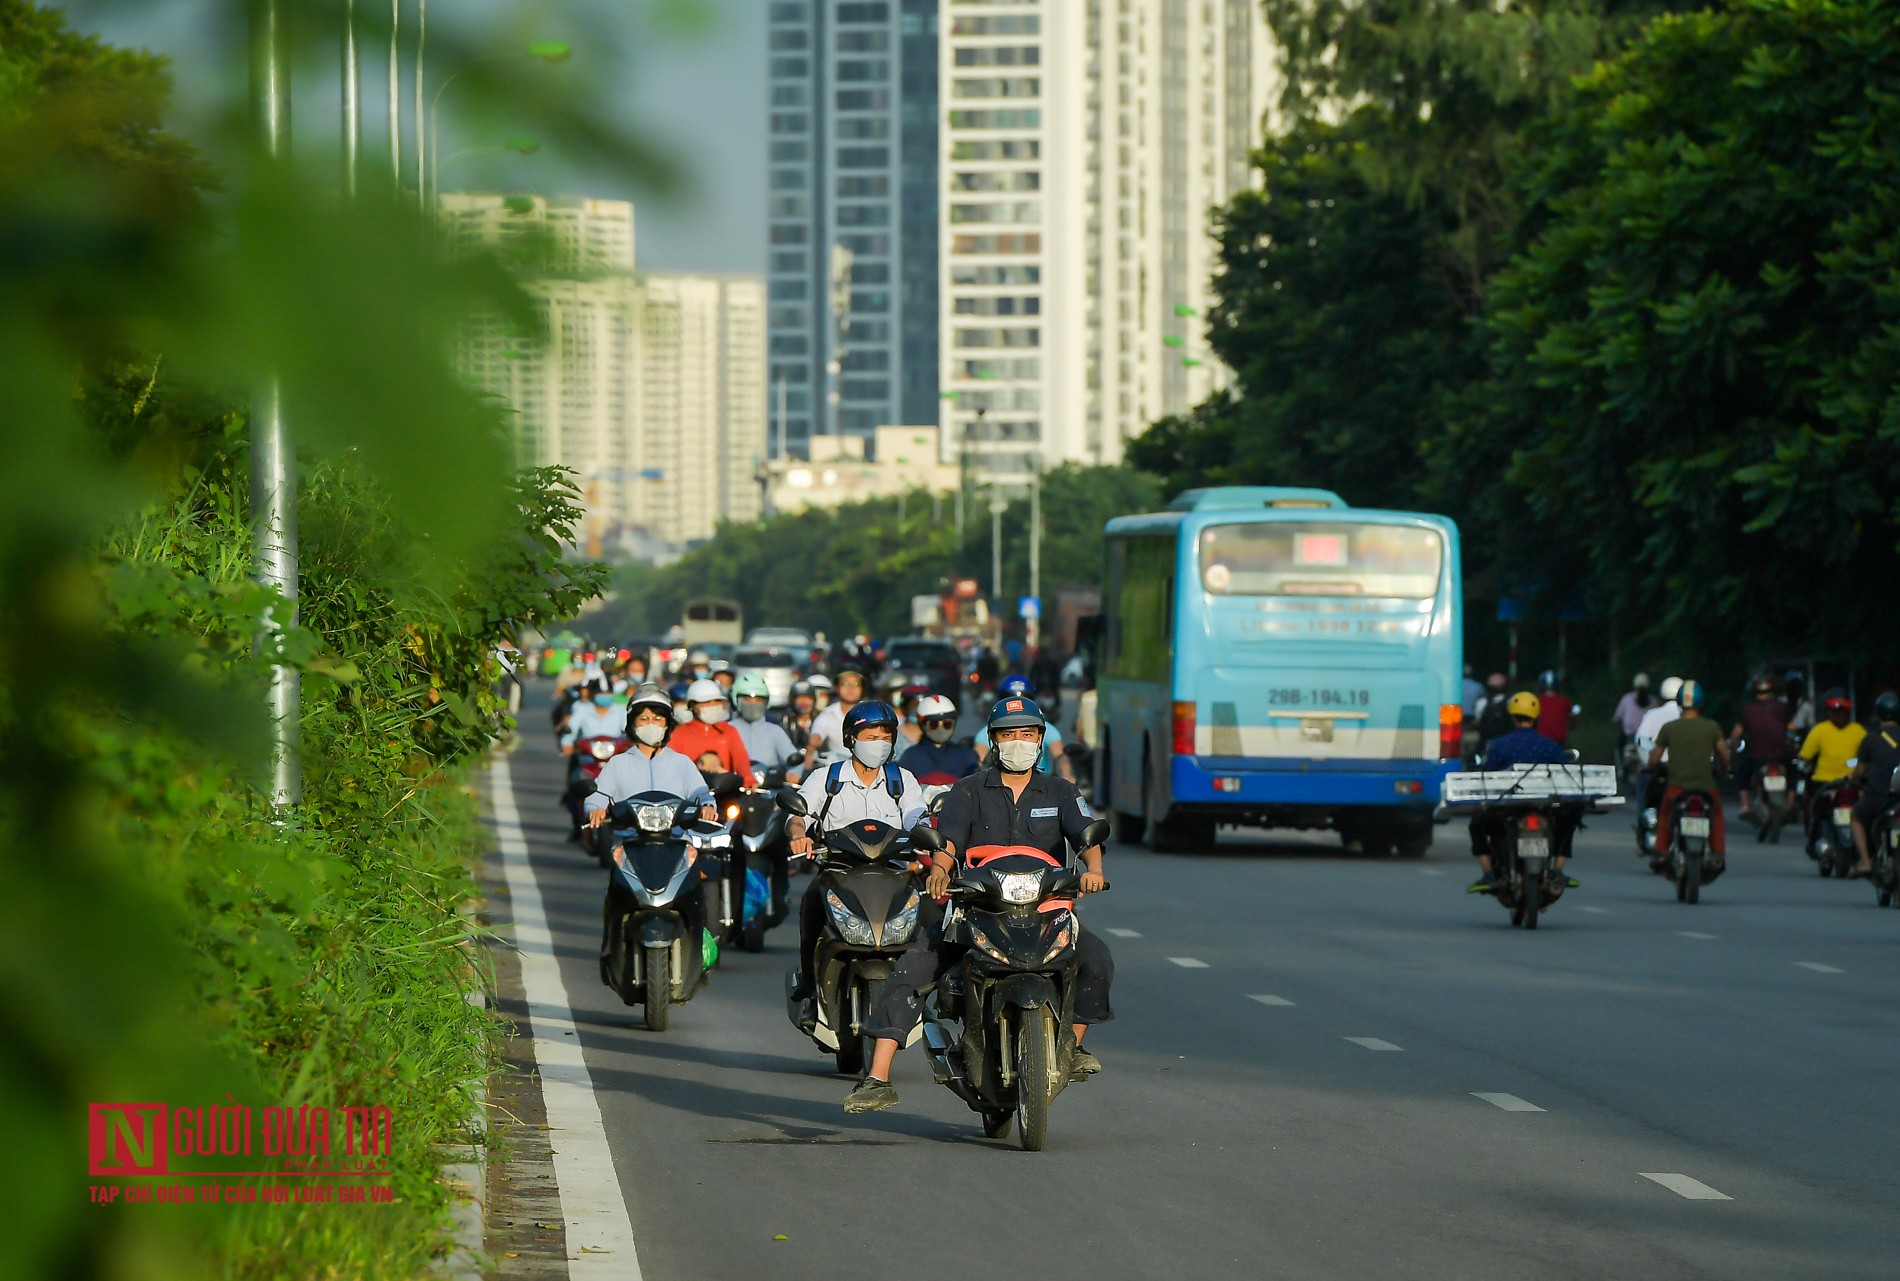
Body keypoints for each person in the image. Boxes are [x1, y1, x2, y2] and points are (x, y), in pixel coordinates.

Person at [846, 694, 1113, 1115]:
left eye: (1027, 734)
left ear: (1040, 740)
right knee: (913, 969)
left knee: (1097, 959)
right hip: (978, 910)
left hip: (1046, 910)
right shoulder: (967, 790)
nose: (1018, 742)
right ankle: (877, 1076)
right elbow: (948, 840)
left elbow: (1087, 836)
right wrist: (939, 867)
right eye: (1009, 735)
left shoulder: (1061, 791)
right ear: (994, 741)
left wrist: (1092, 870)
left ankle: (1071, 1050)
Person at [786, 702, 926, 1006]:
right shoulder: (826, 779)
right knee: (811, 904)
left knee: (930, 920)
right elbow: (799, 815)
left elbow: (918, 817)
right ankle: (810, 985)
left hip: (894, 876)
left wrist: (927, 835)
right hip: (839, 875)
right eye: (870, 736)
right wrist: (798, 835)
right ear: (851, 739)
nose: (879, 744)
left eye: (886, 737)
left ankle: (926, 995)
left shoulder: (902, 780)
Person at [1465, 691, 1577, 893]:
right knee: (1569, 820)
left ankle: (1489, 873)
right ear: (1536, 717)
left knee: (1477, 824)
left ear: (1513, 717)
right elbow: (1565, 775)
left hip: (1508, 808)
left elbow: (1488, 777)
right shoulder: (1550, 745)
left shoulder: (1500, 745)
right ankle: (1558, 869)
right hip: (1544, 806)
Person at [584, 684, 713, 829]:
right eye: (644, 719)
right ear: (633, 724)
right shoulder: (618, 763)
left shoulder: (681, 762)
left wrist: (707, 805)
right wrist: (595, 808)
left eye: (658, 719)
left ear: (667, 725)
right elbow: (599, 795)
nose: (651, 724)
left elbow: (701, 793)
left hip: (676, 838)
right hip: (629, 838)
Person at [1648, 680, 1731, 871]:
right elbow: (1724, 756)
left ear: (1679, 703)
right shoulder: (1712, 727)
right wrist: (1726, 769)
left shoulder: (1669, 728)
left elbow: (1655, 758)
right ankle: (1718, 853)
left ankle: (1660, 851)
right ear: (1701, 703)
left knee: (1665, 813)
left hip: (1676, 787)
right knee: (1716, 814)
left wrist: (1652, 766)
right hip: (1706, 788)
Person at [972, 675, 1075, 781]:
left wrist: (1066, 774)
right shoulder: (990, 730)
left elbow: (1060, 755)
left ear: (1039, 737)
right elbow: (978, 759)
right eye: (1008, 734)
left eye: (1027, 734)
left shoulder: (1044, 727)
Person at [1797, 689, 1866, 836]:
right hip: (1823, 782)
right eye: (1836, 711)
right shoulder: (1819, 730)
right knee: (1815, 812)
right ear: (1829, 712)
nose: (1840, 715)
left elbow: (1868, 757)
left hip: (1851, 783)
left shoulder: (1858, 731)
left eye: (1843, 711)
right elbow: (1805, 756)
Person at [1847, 692, 1900, 878]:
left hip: (1879, 798)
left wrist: (1853, 780)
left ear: (1878, 714)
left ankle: (1865, 862)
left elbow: (1859, 771)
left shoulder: (1870, 739)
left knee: (1855, 817)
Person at [668, 678, 757, 787]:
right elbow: (671, 768)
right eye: (707, 703)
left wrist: (748, 779)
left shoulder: (729, 731)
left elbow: (741, 760)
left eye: (716, 702)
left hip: (726, 794)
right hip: (691, 795)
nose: (713, 706)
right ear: (693, 706)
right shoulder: (678, 734)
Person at [1728, 675, 1793, 795]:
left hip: (1756, 757)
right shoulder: (1781, 706)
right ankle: (1791, 803)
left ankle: (1745, 806)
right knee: (1793, 774)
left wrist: (1731, 744)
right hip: (1780, 755)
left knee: (1743, 773)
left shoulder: (1747, 709)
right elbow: (1792, 728)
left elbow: (1736, 734)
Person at [897, 694, 980, 784]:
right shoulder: (910, 757)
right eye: (934, 725)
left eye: (947, 724)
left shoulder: (966, 756)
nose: (941, 729)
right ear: (923, 725)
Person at [731, 672, 799, 779]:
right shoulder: (728, 729)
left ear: (766, 703)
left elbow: (792, 757)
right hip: (735, 786)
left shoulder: (774, 731)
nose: (753, 704)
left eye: (758, 700)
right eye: (747, 699)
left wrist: (794, 773)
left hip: (768, 789)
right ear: (736, 700)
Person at [808, 667, 867, 759]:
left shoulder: (871, 710)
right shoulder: (829, 713)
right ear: (836, 688)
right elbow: (817, 734)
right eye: (845, 684)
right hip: (837, 766)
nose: (850, 688)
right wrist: (810, 751)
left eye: (855, 684)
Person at [560, 680, 628, 757]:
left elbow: (628, 728)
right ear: (593, 694)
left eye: (607, 693)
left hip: (615, 752)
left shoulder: (620, 710)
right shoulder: (583, 709)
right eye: (601, 693)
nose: (604, 696)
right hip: (588, 753)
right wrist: (567, 743)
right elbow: (571, 729)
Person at [1611, 673, 1654, 750]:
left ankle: (1620, 759)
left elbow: (1617, 717)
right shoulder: (1654, 701)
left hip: (1630, 737)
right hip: (1648, 738)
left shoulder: (1627, 699)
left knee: (1620, 745)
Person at [1474, 673, 1515, 753]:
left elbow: (1477, 722)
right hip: (1506, 740)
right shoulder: (1511, 702)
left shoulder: (1482, 703)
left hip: (1487, 741)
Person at [1534, 669, 1576, 745]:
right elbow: (1572, 719)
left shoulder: (1536, 701)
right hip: (1559, 740)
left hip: (1540, 740)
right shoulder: (1565, 701)